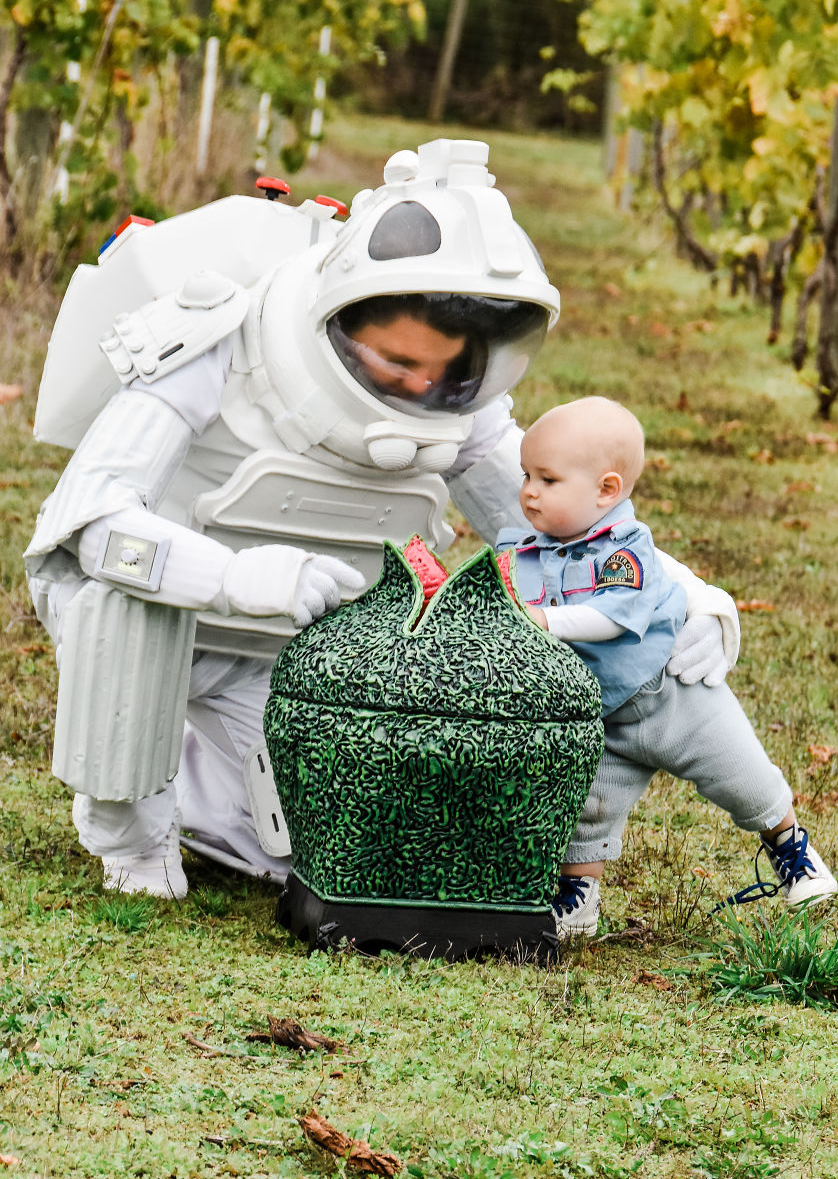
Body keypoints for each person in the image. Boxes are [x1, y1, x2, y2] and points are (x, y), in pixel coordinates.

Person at [25, 139, 740, 900]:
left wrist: (682, 596)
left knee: (307, 848)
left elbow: (552, 529)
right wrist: (230, 576)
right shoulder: (218, 340)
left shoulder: (461, 406)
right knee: (128, 619)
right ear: (343, 310)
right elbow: (90, 526)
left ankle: (207, 780)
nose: (421, 385)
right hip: (166, 615)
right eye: (398, 364)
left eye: (442, 370)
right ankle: (131, 833)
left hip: (296, 646)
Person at [496, 396, 838, 940]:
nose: (529, 491)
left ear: (607, 490)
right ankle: (578, 900)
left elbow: (611, 616)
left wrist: (541, 621)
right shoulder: (522, 552)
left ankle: (790, 848)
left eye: (548, 479)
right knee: (588, 810)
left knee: (741, 775)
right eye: (526, 476)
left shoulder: (625, 549)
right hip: (603, 715)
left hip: (674, 695)